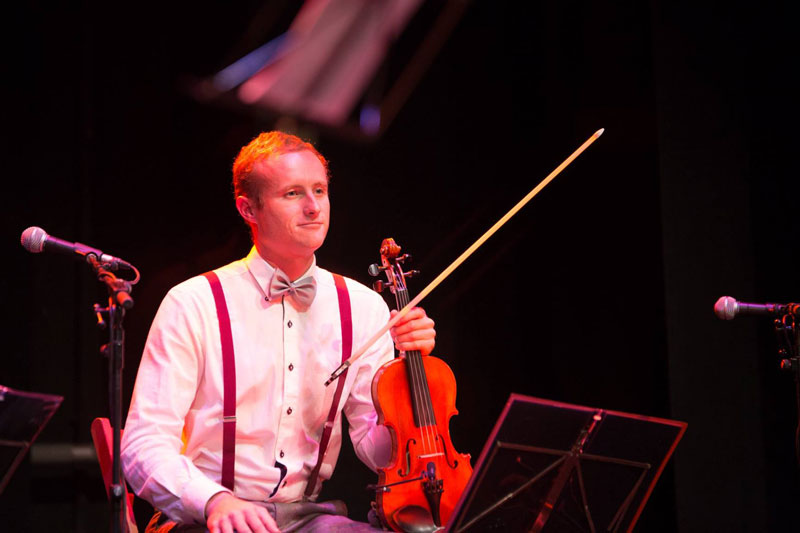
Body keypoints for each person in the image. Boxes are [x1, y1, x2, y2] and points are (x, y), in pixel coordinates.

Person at [121, 131, 436, 533]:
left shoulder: (363, 307)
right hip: (204, 518)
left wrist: (411, 376)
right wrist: (214, 500)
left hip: (308, 519)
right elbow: (143, 443)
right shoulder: (194, 302)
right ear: (248, 209)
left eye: (319, 190)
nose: (313, 207)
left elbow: (378, 452)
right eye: (292, 194)